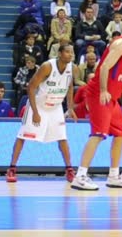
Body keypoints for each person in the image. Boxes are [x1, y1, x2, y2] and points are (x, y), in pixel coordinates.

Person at [71, 13, 122, 191]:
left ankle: (113, 175)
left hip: (111, 97)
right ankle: (80, 176)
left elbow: (116, 70)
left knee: (120, 132)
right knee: (98, 134)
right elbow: (104, 66)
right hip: (100, 94)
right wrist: (104, 90)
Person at [7, 44, 78, 183]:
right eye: (68, 52)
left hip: (56, 107)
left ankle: (69, 169)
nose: (71, 55)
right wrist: (34, 111)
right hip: (39, 105)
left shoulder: (72, 68)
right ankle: (12, 168)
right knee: (23, 135)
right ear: (60, 53)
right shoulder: (47, 66)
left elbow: (70, 87)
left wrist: (70, 108)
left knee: (62, 137)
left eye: (72, 52)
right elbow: (31, 87)